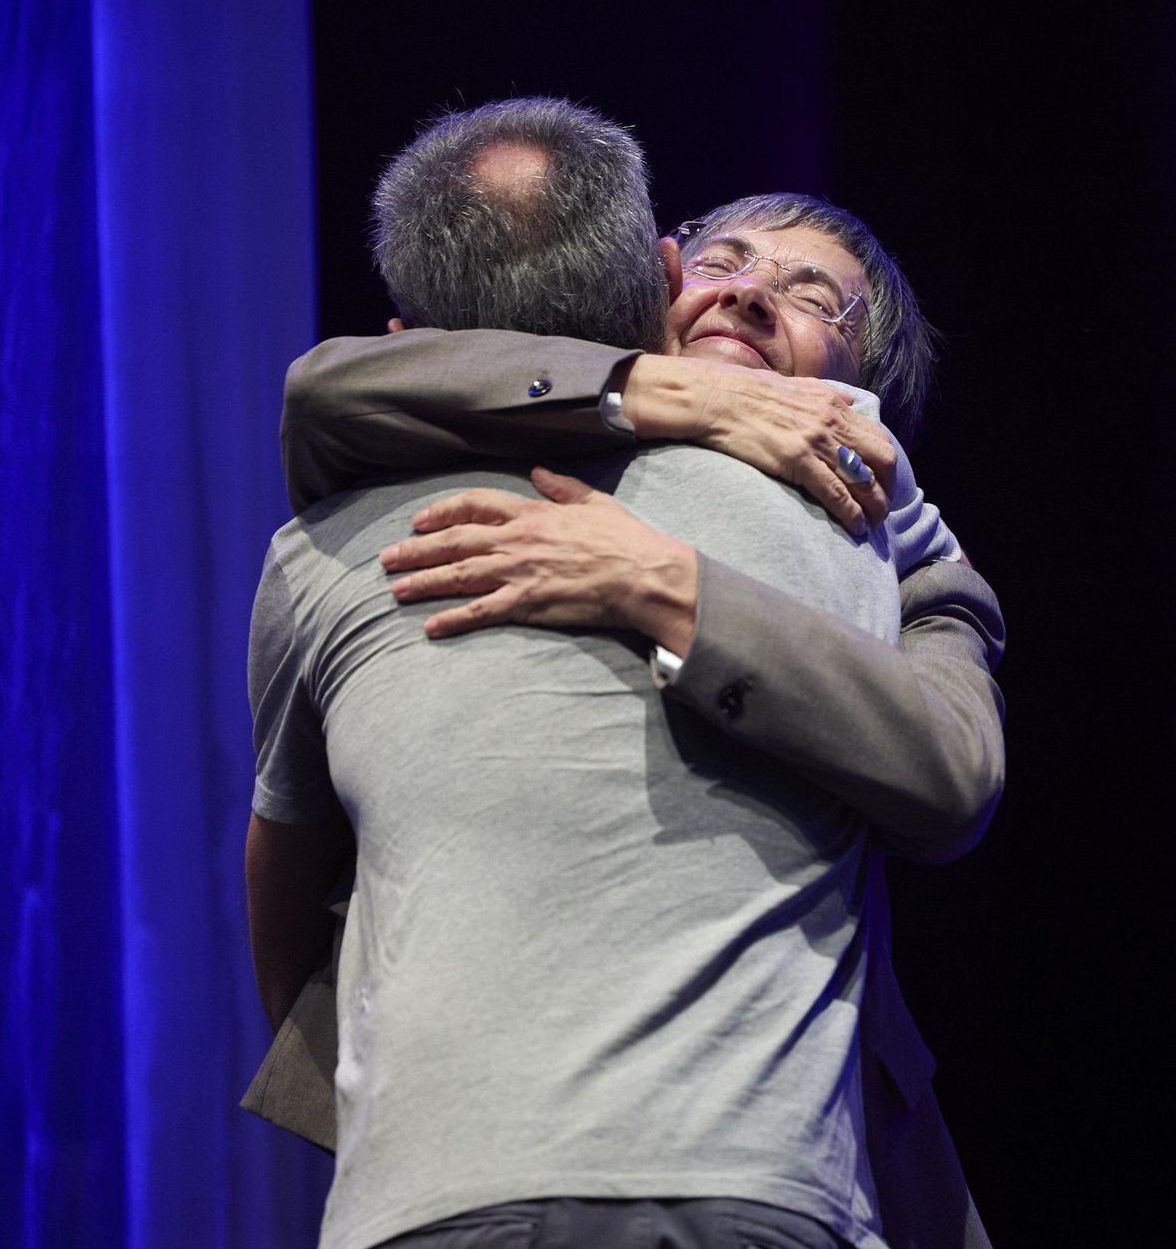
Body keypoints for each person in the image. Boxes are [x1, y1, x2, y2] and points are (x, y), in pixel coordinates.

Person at [245, 98, 1002, 1249]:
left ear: (860, 399)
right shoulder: (467, 443)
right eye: (721, 260)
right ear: (651, 285)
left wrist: (668, 582)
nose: (750, 292)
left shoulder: (875, 538)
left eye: (814, 297)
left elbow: (952, 767)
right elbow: (332, 386)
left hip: (745, 1161)